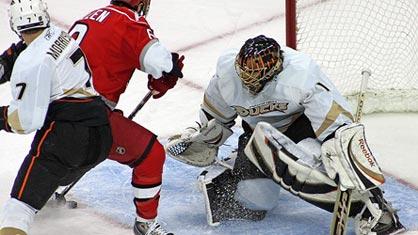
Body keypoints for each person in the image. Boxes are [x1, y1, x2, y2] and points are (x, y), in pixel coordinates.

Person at [166, 35, 405, 235]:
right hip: (255, 137)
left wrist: (342, 156)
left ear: (275, 69)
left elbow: (339, 130)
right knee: (256, 204)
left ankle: (371, 208)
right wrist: (202, 139)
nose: (248, 81)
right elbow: (216, 119)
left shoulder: (301, 74)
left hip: (298, 127)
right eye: (245, 72)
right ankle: (224, 176)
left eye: (256, 75)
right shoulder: (226, 75)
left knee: (311, 164)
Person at [1, 0, 184, 234]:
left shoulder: (90, 16)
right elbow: (159, 61)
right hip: (93, 115)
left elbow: (38, 52)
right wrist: (166, 73)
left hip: (54, 115)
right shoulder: (130, 21)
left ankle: (42, 195)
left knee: (57, 163)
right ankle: (145, 224)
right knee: (151, 155)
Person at [0, 0, 113, 234]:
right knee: (50, 177)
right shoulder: (59, 34)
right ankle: (47, 195)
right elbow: (24, 51)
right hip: (100, 134)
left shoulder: (30, 63)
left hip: (66, 139)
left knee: (19, 208)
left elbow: (26, 121)